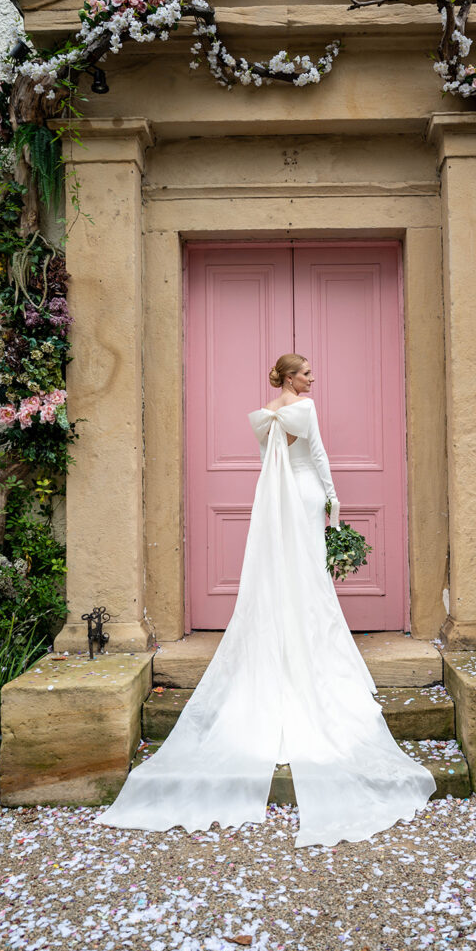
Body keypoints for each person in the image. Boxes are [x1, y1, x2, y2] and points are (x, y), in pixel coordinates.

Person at [97, 353, 436, 847]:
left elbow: (265, 462)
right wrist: (334, 499)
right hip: (304, 493)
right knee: (309, 579)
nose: (313, 378)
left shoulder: (266, 413)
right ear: (291, 377)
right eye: (306, 372)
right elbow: (317, 454)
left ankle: (279, 648)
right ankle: (310, 657)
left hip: (275, 498)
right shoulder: (305, 408)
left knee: (280, 573)